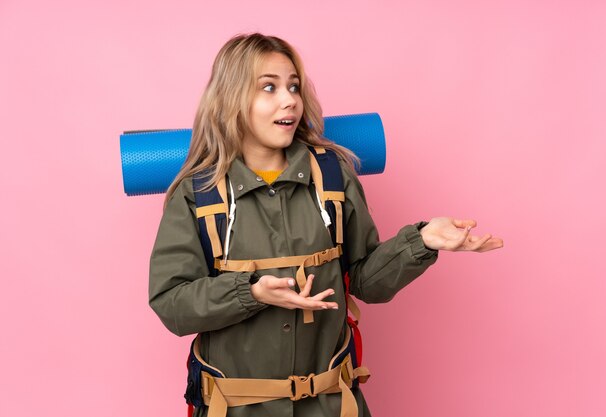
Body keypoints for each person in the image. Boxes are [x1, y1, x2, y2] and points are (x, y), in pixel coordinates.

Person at [149, 33, 503, 417]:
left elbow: (367, 282)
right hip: (235, 408)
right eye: (269, 87)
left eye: (293, 86)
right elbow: (172, 303)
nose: (289, 100)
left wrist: (422, 242)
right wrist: (250, 292)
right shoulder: (197, 194)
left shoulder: (333, 177)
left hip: (332, 406)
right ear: (231, 99)